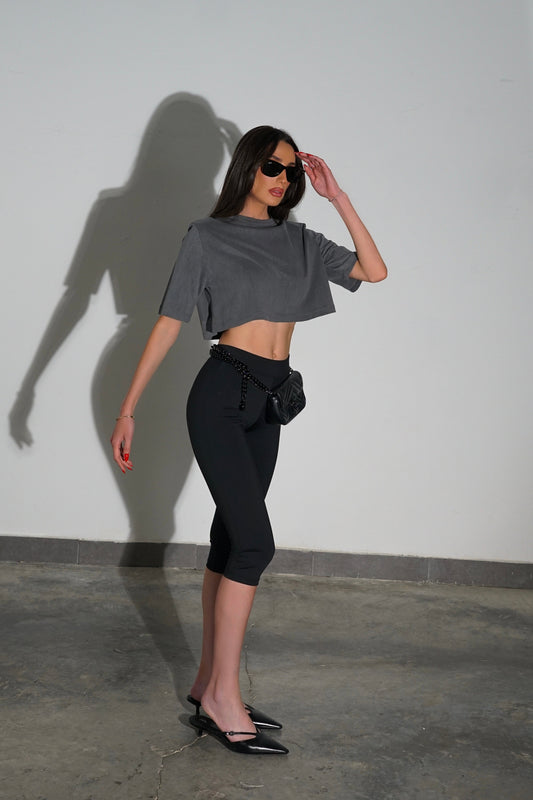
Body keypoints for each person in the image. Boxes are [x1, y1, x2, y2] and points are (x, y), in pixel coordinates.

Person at [110, 125, 387, 755]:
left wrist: (338, 197)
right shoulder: (206, 236)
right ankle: (224, 698)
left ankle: (208, 683)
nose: (282, 179)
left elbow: (374, 271)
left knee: (232, 539)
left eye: (291, 170)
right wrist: (128, 409)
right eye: (271, 166)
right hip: (221, 396)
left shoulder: (301, 240)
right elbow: (169, 320)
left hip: (269, 399)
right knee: (256, 544)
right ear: (246, 167)